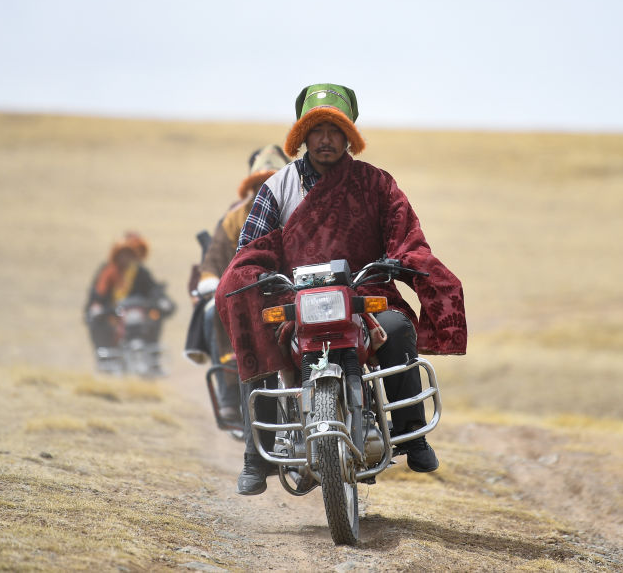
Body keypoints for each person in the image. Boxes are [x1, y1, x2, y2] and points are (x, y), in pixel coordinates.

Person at [215, 83, 467, 496]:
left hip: (364, 295)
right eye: (316, 130)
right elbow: (250, 248)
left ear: (350, 136)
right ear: (302, 136)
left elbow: (407, 237)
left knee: (398, 328)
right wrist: (250, 275)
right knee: (256, 332)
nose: (326, 139)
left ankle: (413, 435)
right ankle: (255, 457)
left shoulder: (377, 184)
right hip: (295, 302)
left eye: (336, 130)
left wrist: (404, 260)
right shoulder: (278, 187)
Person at [184, 145, 290, 423]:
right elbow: (214, 258)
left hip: (292, 290)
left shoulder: (300, 210)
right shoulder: (234, 217)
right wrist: (211, 282)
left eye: (274, 181)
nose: (266, 188)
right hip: (243, 294)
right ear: (251, 185)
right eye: (260, 182)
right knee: (213, 311)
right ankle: (230, 395)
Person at [85, 232, 164, 367]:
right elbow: (98, 294)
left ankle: (153, 360)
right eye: (123, 254)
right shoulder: (108, 271)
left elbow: (153, 290)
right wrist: (97, 306)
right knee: (99, 324)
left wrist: (159, 301)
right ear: (116, 255)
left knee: (154, 319)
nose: (126, 258)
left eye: (130, 255)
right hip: (113, 313)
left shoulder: (140, 272)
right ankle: (106, 362)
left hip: (136, 313)